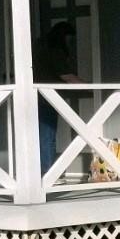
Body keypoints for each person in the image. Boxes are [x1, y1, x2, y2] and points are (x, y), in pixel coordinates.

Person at [34, 21, 83, 176]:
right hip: (47, 98)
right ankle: (48, 173)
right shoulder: (55, 51)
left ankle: (43, 171)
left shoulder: (40, 47)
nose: (71, 43)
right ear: (63, 37)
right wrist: (88, 85)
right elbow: (66, 76)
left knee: (41, 134)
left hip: (36, 97)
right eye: (70, 39)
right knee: (47, 135)